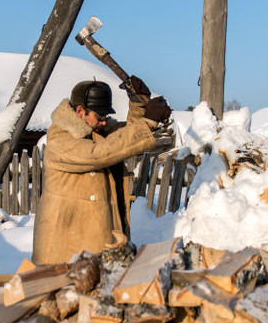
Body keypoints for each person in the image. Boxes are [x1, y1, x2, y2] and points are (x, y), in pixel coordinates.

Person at [32, 77, 173, 265]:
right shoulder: (59, 137)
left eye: (106, 117)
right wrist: (147, 123)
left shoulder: (97, 132)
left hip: (94, 241)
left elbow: (124, 136)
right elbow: (99, 153)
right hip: (64, 248)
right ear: (80, 111)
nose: (104, 122)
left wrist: (139, 104)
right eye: (100, 117)